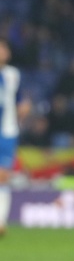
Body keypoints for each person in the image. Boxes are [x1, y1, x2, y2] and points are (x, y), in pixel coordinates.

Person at [0, 39, 31, 236]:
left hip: (6, 132)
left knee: (3, 176)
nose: (2, 51)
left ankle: (1, 222)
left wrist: (23, 108)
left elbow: (20, 99)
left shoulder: (13, 74)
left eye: (4, 48)